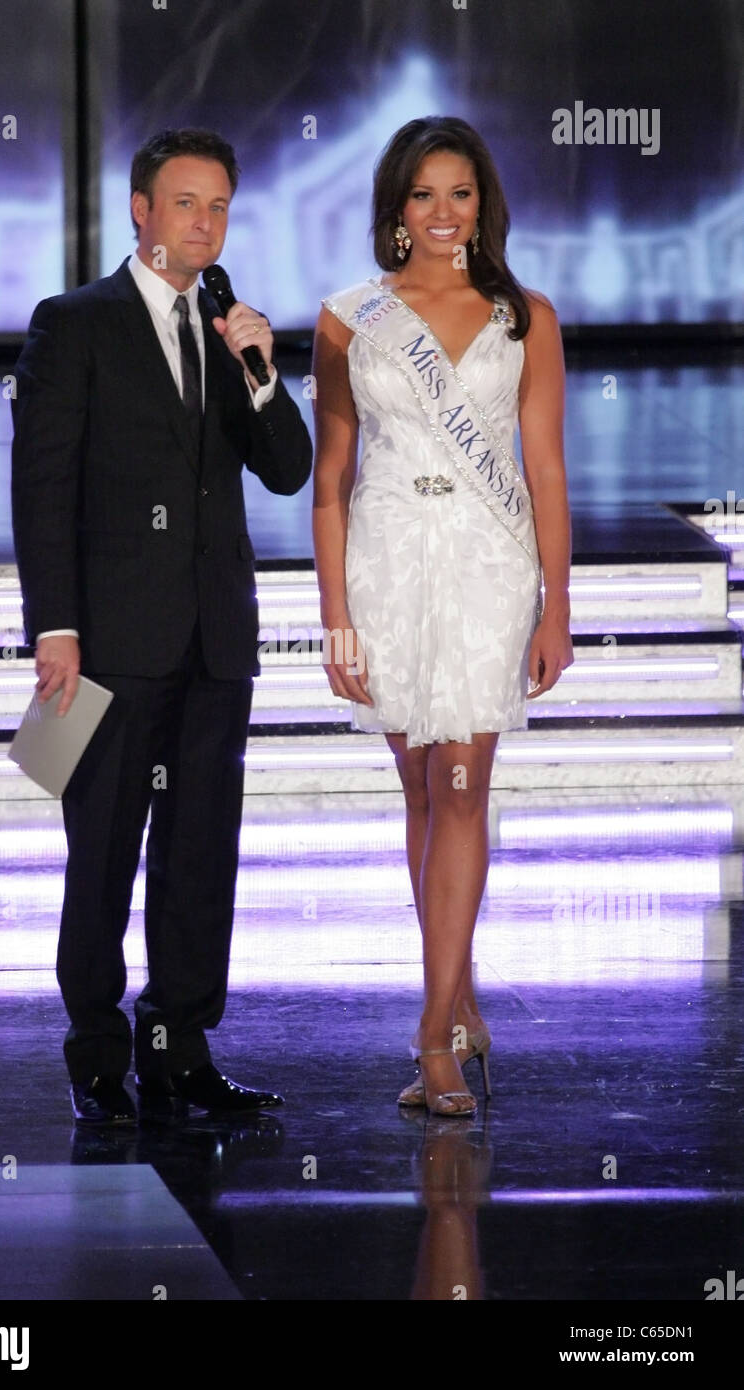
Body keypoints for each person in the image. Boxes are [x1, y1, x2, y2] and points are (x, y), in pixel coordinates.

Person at [11, 128, 312, 1124]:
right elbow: (44, 484)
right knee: (100, 848)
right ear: (140, 209)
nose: (205, 223)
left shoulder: (226, 330)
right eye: (186, 203)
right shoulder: (75, 322)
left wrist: (260, 370)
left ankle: (180, 1045)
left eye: (219, 206)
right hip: (110, 638)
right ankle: (96, 1049)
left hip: (214, 641)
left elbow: (286, 466)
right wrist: (54, 626)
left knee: (199, 851)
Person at [312, 116, 573, 1117]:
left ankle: (431, 1039)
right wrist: (332, 612)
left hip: (484, 565)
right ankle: (454, 989)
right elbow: (329, 478)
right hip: (383, 560)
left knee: (460, 783)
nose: (440, 213)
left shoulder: (524, 318)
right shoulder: (349, 318)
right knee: (420, 789)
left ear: (482, 205)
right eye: (421, 194)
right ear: (394, 207)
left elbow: (544, 468)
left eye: (457, 194)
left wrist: (556, 602)